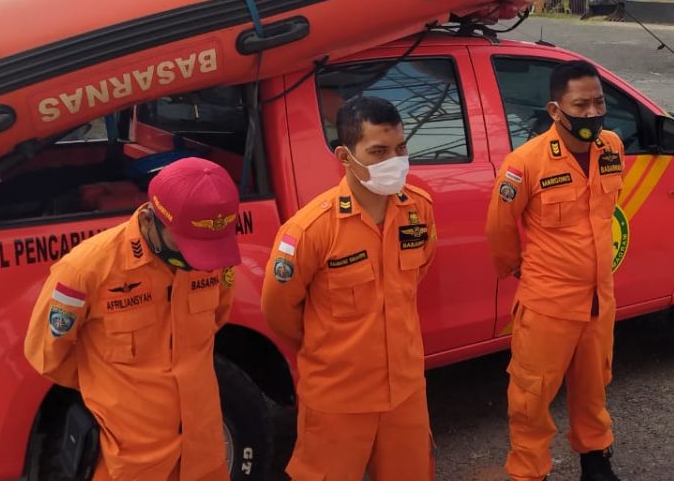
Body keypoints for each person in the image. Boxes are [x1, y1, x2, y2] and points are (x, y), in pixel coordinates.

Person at [24, 157, 242, 481]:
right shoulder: (86, 270)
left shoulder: (214, 256)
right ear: (156, 218)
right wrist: (110, 390)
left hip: (204, 450)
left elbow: (217, 318)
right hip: (131, 461)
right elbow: (48, 355)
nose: (200, 262)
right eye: (189, 244)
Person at [261, 96, 436, 481]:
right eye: (379, 151)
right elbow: (279, 309)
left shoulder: (418, 210)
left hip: (404, 392)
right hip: (338, 398)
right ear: (344, 156)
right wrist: (331, 347)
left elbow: (416, 273)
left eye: (400, 149)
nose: (394, 161)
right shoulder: (311, 229)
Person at [486, 60, 626, 481]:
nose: (591, 113)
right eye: (580, 105)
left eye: (598, 102)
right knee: (531, 396)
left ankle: (596, 460)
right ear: (554, 110)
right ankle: (530, 472)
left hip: (599, 301)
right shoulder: (525, 163)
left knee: (593, 387)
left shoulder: (612, 148)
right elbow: (498, 228)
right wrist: (519, 270)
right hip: (548, 303)